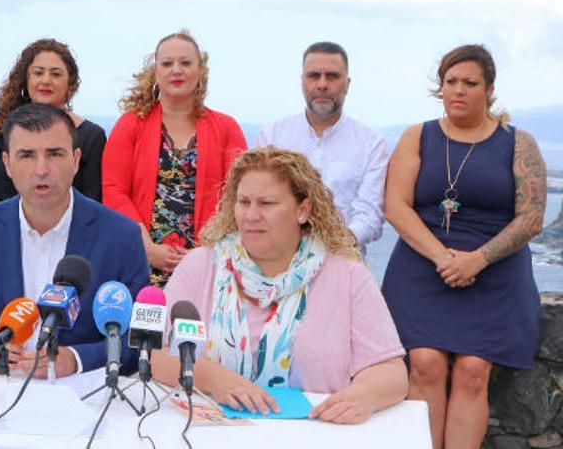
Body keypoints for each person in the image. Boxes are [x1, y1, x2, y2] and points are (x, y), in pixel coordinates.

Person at [151, 147, 408, 424]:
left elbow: (390, 372)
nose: (251, 215)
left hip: (315, 434)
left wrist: (362, 396)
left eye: (267, 204)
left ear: (303, 210)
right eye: (244, 202)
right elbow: (159, 356)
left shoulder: (347, 275)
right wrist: (214, 378)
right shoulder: (201, 266)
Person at [382, 45, 545, 448]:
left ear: (489, 89)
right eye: (450, 82)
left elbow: (531, 217)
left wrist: (477, 260)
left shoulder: (518, 143)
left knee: (474, 369)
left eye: (469, 83)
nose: (458, 90)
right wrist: (443, 257)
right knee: (424, 363)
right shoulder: (417, 136)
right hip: (424, 266)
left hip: (495, 270)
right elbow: (395, 206)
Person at [0, 103, 149, 376]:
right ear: (7, 164)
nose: (41, 169)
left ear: (75, 160)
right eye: (26, 155)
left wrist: (74, 359)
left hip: (82, 393)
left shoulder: (121, 236)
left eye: (55, 154)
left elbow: (137, 339)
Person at [103, 29, 247, 287]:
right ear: (156, 72)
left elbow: (239, 196)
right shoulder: (131, 124)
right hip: (141, 260)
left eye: (186, 63)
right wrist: (146, 247)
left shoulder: (227, 128)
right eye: (167, 64)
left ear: (200, 71)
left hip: (209, 264)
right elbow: (114, 190)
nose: (176, 70)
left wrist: (204, 254)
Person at [254, 42, 388, 252]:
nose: (322, 84)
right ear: (302, 81)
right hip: (277, 262)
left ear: (348, 83)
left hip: (343, 262)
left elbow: (370, 215)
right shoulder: (272, 135)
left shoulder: (370, 143)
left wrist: (334, 246)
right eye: (314, 75)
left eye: (332, 76)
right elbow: (258, 200)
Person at [0, 38, 105, 212]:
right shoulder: (0, 127)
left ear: (71, 84)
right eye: (38, 73)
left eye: (56, 74)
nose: (46, 80)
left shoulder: (92, 137)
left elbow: (92, 202)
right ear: (26, 79)